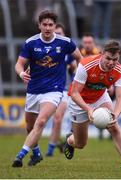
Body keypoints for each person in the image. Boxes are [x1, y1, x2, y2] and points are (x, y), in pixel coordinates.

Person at [12, 10, 82, 168]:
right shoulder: (31, 43)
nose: (48, 27)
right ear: (39, 26)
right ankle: (36, 154)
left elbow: (80, 58)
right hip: (33, 89)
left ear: (54, 25)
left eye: (51, 24)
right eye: (45, 24)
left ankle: (20, 156)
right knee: (30, 127)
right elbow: (19, 64)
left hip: (54, 90)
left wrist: (80, 76)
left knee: (41, 121)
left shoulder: (65, 42)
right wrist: (22, 73)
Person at [64, 40, 121, 173]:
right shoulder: (86, 64)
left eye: (115, 59)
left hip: (100, 97)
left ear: (119, 57)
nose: (111, 62)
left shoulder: (120, 71)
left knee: (114, 127)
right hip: (79, 101)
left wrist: (115, 115)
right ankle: (70, 140)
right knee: (81, 144)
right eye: (108, 58)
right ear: (102, 54)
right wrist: (88, 109)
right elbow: (75, 93)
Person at [45, 23, 77, 156]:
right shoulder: (45, 49)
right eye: (55, 33)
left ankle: (50, 150)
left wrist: (73, 71)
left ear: (64, 35)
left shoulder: (67, 51)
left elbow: (74, 68)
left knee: (58, 118)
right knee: (37, 121)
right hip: (44, 88)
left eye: (60, 33)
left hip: (62, 89)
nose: (57, 35)